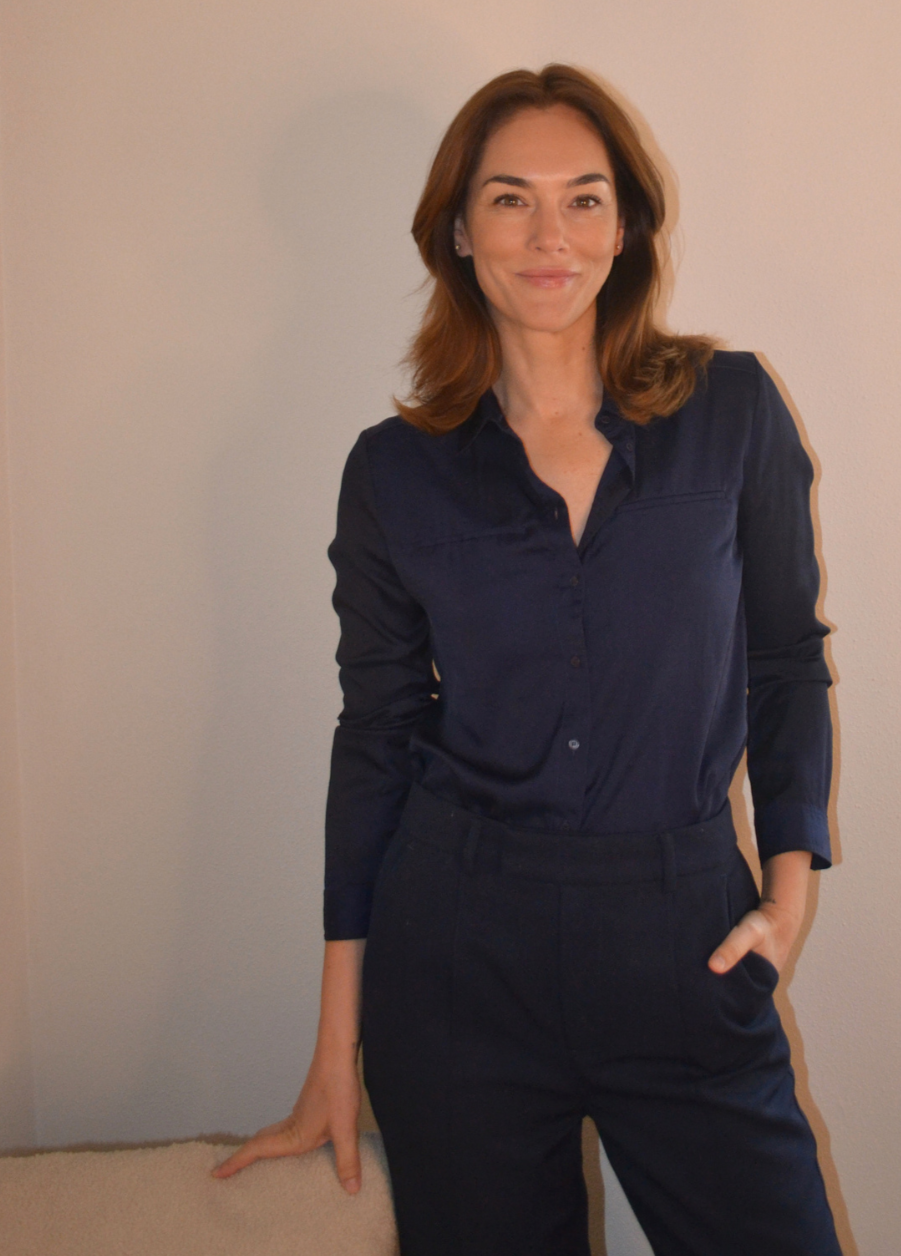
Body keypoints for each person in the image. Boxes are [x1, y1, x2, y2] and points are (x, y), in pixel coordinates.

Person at [213, 65, 842, 1256]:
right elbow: (378, 734)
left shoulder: (732, 409)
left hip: (684, 932)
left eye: (584, 198)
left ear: (626, 225)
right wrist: (331, 1043)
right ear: (457, 230)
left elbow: (786, 658)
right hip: (458, 958)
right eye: (510, 199)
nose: (549, 235)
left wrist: (790, 884)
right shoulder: (395, 470)